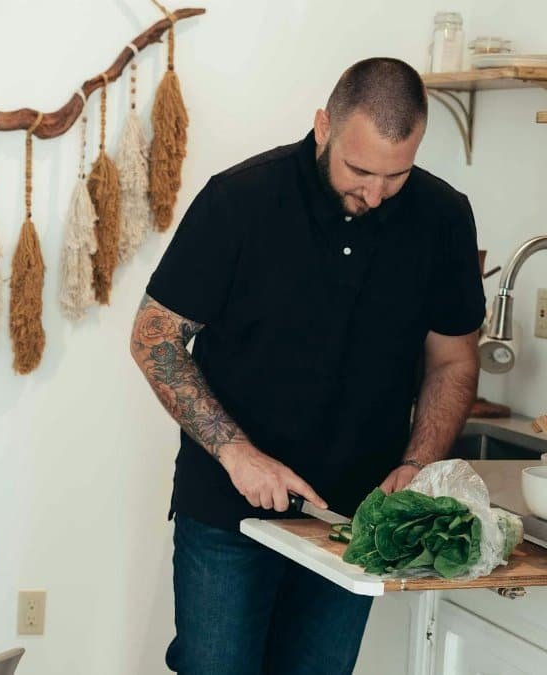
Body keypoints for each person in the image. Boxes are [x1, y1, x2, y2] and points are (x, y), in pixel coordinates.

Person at [130, 58, 484, 674]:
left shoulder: (443, 217)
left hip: (355, 519)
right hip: (229, 512)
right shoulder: (240, 199)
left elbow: (453, 361)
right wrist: (238, 453)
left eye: (395, 175)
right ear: (323, 127)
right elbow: (154, 339)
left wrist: (416, 463)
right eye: (360, 170)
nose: (375, 194)